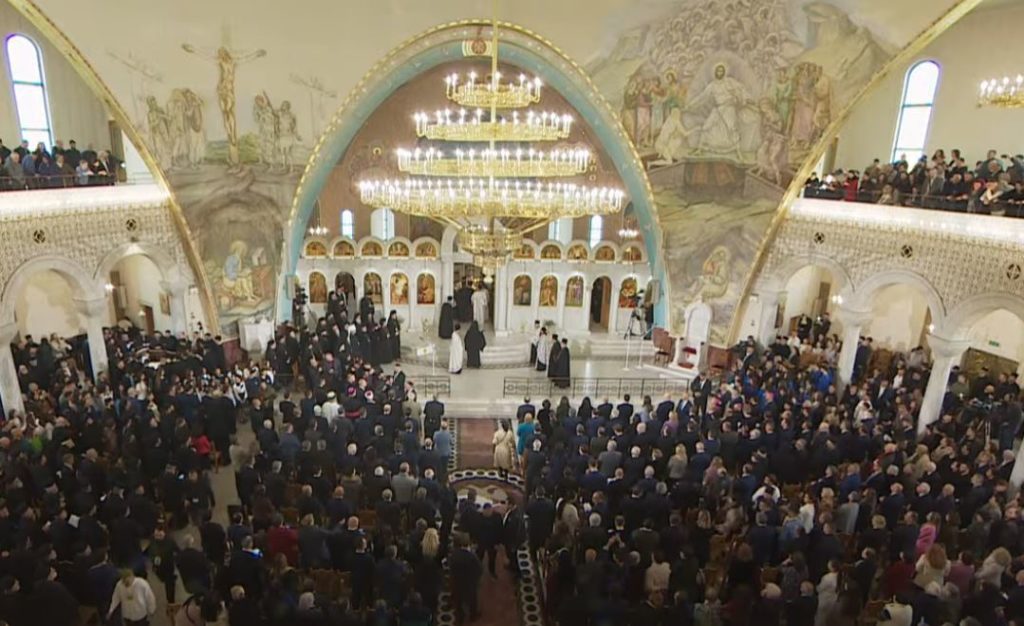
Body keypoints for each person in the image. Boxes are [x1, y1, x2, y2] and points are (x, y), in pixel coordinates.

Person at [449, 534, 482, 624]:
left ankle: (460, 619)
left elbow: (451, 568)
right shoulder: (471, 556)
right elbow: (479, 569)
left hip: (457, 583)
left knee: (458, 603)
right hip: (469, 584)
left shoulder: (453, 555)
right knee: (472, 601)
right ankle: (473, 616)